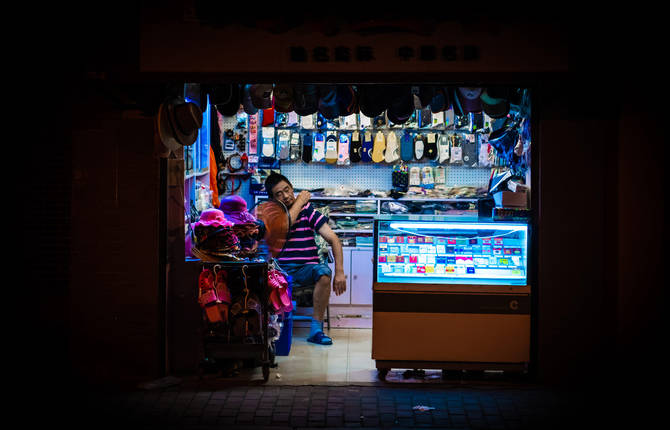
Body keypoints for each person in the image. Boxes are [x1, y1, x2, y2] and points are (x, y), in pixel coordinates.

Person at [264, 172, 346, 345]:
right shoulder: (272, 213)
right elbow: (285, 226)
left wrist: (340, 272)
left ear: (292, 188)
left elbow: (334, 239)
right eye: (279, 194)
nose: (286, 196)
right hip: (280, 271)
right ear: (272, 199)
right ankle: (272, 329)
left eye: (287, 190)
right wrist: (300, 201)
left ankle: (316, 330)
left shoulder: (307, 210)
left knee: (324, 272)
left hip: (306, 269)